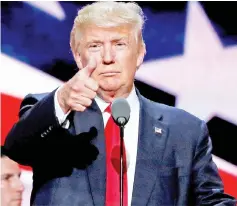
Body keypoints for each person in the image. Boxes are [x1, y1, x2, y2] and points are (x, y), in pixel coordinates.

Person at [4, 1, 236, 206]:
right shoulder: (53, 111)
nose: (107, 57)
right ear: (77, 56)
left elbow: (211, 200)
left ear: (140, 53)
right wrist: (62, 100)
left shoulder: (185, 130)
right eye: (94, 46)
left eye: (119, 44)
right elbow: (17, 149)